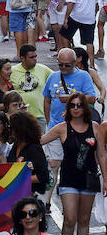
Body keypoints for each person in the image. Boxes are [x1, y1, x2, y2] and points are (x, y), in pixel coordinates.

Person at [41, 93, 107, 235]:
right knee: (70, 219)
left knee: (84, 221)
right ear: (68, 108)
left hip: (89, 179)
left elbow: (102, 155)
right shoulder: (62, 128)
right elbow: (40, 142)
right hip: (69, 179)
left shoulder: (95, 127)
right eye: (72, 105)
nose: (76, 108)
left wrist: (106, 179)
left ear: (85, 107)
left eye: (79, 105)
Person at [42, 48, 96, 209]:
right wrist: (48, 120)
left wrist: (71, 98)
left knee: (75, 164)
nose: (63, 68)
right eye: (60, 65)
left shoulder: (84, 76)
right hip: (56, 126)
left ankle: (71, 202)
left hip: (77, 129)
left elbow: (92, 97)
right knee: (53, 163)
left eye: (67, 65)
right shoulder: (53, 76)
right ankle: (46, 201)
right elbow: (47, 99)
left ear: (75, 63)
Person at [8, 110, 50, 200]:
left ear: (19, 129)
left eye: (11, 127)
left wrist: (21, 180)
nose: (9, 130)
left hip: (31, 196)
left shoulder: (34, 148)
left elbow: (43, 176)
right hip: (15, 195)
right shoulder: (15, 146)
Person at [61, 0, 99, 68]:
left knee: (65, 35)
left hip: (76, 16)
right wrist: (93, 15)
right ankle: (91, 64)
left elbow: (71, 3)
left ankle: (68, 58)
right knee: (89, 42)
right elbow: (96, 5)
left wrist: (66, 18)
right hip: (89, 18)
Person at [9, 44, 52, 132]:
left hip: (39, 115)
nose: (35, 59)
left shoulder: (43, 69)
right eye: (31, 57)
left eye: (35, 56)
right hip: (19, 116)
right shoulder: (12, 71)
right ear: (22, 58)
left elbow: (58, 79)